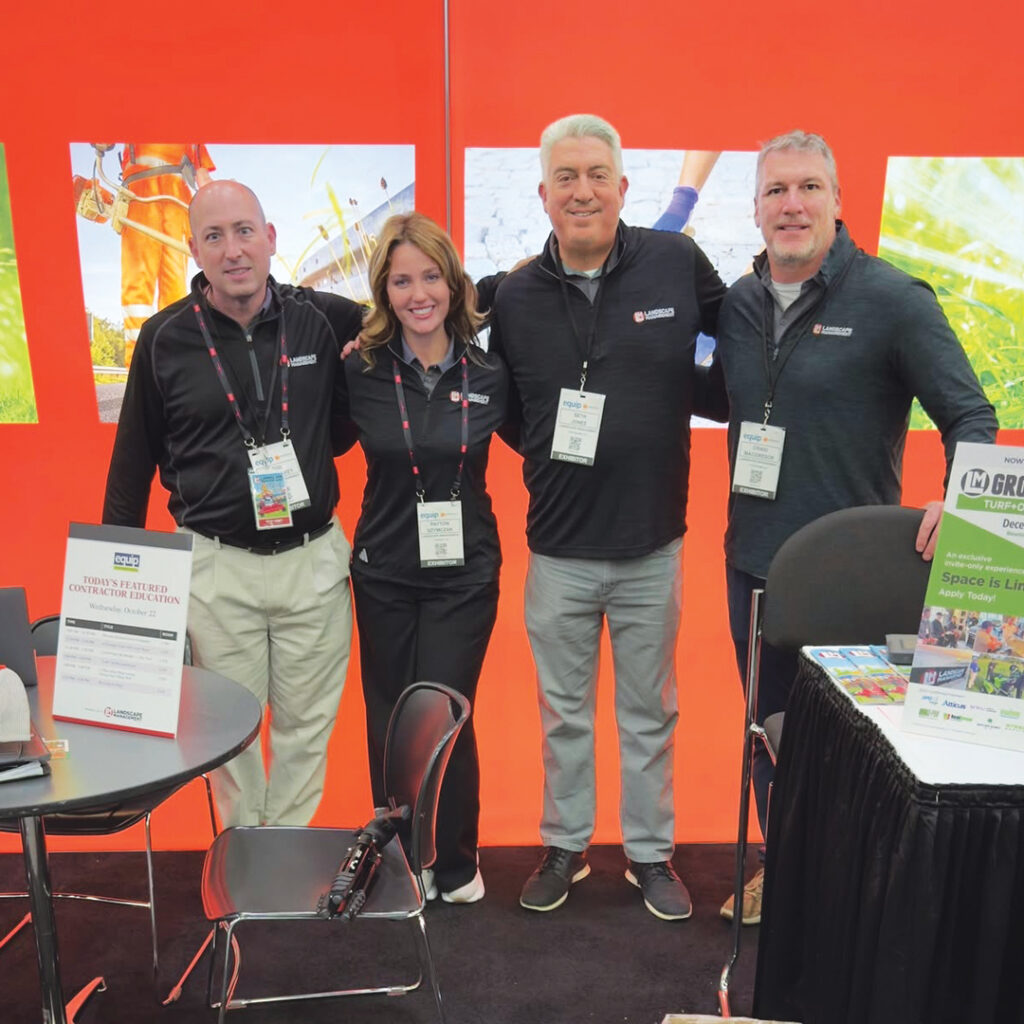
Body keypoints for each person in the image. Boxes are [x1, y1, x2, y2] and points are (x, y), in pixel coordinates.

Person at [711, 130, 998, 925]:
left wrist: (964, 503)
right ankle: (789, 868)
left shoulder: (894, 300)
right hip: (755, 563)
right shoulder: (738, 302)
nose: (792, 204)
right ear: (758, 208)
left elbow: (971, 412)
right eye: (777, 191)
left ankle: (866, 893)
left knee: (859, 744)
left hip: (852, 579)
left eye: (808, 188)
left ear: (838, 202)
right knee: (769, 736)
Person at [489, 113, 727, 921]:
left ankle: (651, 855)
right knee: (562, 715)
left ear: (623, 188)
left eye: (597, 175)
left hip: (651, 544)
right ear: (545, 194)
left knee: (649, 711)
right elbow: (508, 408)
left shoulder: (675, 261)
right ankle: (565, 846)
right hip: (556, 549)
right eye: (566, 177)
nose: (583, 190)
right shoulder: (516, 295)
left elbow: (741, 331)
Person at [103, 179, 362, 828]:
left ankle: (287, 859)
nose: (233, 250)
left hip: (313, 565)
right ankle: (249, 861)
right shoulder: (163, 339)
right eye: (214, 236)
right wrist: (116, 602)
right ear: (193, 250)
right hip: (216, 572)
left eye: (245, 231)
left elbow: (422, 305)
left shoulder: (326, 320)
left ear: (271, 239)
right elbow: (131, 467)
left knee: (306, 731)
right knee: (231, 740)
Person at [337, 212, 510, 903]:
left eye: (430, 276)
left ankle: (457, 860)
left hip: (465, 574)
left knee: (444, 711)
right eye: (401, 280)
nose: (418, 293)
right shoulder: (360, 370)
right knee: (389, 717)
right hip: (383, 570)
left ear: (453, 282)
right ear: (384, 291)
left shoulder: (494, 372)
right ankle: (405, 861)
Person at [92, 143, 216, 367]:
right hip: (141, 197)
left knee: (174, 291)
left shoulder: (190, 124)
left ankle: (173, 363)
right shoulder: (130, 110)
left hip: (175, 204)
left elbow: (203, 177)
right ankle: (139, 365)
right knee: (138, 285)